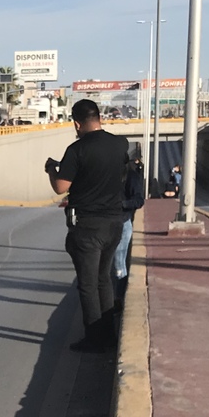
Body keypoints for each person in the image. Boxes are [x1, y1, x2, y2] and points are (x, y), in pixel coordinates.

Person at [46, 98, 129, 352]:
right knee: (104, 279)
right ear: (99, 118)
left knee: (88, 284)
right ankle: (108, 335)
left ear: (77, 123)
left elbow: (61, 187)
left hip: (87, 227)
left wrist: (52, 170)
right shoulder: (119, 144)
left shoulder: (76, 150)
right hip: (115, 223)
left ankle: (94, 339)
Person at [111, 150, 145, 310]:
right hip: (105, 224)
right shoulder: (105, 177)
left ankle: (119, 299)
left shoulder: (131, 177)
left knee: (119, 263)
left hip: (122, 224)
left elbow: (138, 200)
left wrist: (122, 205)